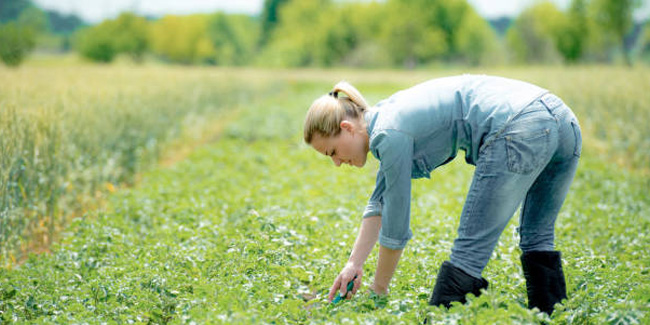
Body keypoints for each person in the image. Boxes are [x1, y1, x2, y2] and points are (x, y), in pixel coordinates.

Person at [302, 75, 582, 315]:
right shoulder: (387, 119)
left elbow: (395, 228)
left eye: (332, 153)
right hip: (563, 121)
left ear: (347, 128)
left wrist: (378, 292)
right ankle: (553, 314)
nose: (337, 163)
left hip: (520, 124)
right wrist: (354, 264)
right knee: (537, 236)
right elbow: (380, 200)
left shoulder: (388, 133)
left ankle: (443, 318)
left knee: (468, 253)